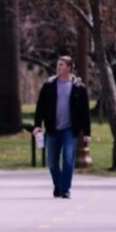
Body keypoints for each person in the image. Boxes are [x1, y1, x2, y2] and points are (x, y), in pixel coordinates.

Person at [33, 55, 91, 199]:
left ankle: (65, 189)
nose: (58, 67)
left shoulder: (79, 87)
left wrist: (87, 132)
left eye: (62, 65)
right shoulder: (49, 85)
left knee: (68, 158)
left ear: (69, 68)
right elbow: (40, 106)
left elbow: (85, 111)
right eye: (58, 65)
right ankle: (58, 185)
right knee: (52, 161)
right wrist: (37, 125)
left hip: (70, 129)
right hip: (53, 127)